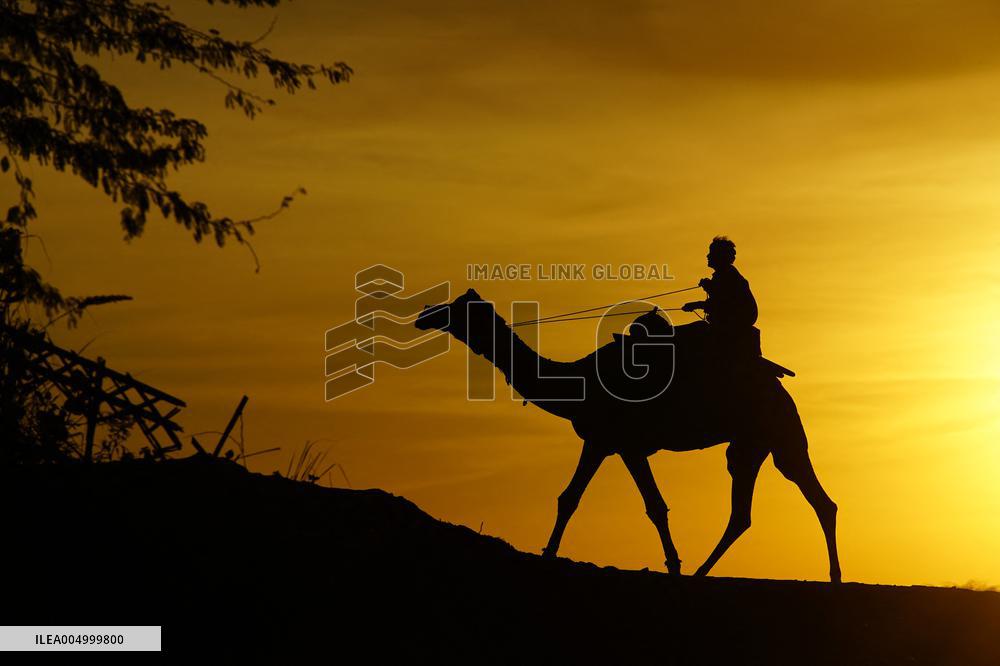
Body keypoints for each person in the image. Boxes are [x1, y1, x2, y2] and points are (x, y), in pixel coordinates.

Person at [682, 236, 760, 363]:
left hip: (733, 325)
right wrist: (709, 287)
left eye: (711, 253)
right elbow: (721, 299)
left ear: (719, 256)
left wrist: (696, 304)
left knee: (695, 331)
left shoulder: (728, 277)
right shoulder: (726, 276)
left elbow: (723, 304)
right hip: (731, 323)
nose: (708, 256)